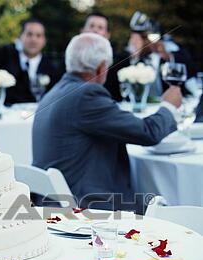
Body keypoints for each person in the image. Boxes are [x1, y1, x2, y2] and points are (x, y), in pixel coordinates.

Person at [32, 33, 182, 214]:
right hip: (88, 206)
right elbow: (148, 132)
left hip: (53, 200)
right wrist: (168, 107)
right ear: (101, 66)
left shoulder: (54, 93)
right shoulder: (86, 94)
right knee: (173, 206)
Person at [0, 0, 60, 105]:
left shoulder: (53, 67)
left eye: (38, 35)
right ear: (20, 36)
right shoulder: (6, 56)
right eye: (29, 34)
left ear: (44, 41)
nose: (33, 39)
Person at [81, 11, 130, 101]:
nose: (95, 30)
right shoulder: (70, 60)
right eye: (91, 26)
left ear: (107, 35)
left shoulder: (120, 62)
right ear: (82, 31)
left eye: (100, 27)